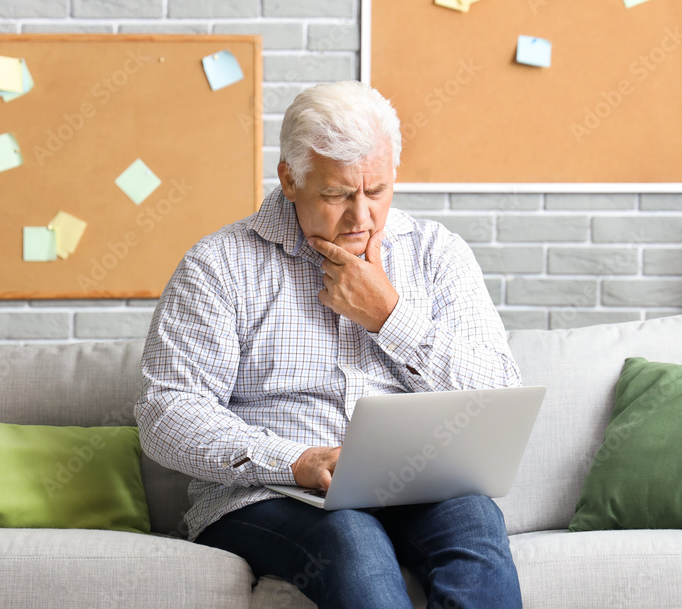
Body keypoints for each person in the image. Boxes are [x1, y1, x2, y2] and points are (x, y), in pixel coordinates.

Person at [135, 81, 524, 608]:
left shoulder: (438, 254)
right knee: (350, 540)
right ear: (290, 180)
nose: (361, 217)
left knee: (476, 525)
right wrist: (294, 460)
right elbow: (167, 414)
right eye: (338, 194)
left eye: (377, 192)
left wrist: (389, 316)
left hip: (416, 486)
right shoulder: (219, 265)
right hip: (269, 494)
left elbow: (499, 394)